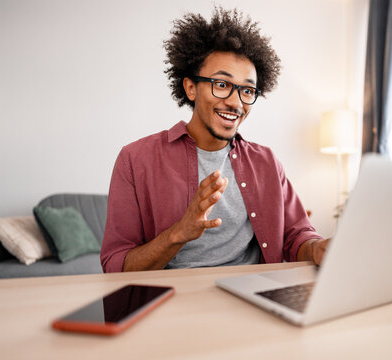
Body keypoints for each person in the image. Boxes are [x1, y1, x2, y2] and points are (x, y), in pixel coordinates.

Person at [100, 7, 328, 273]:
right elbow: (116, 265)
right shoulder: (135, 159)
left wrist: (317, 248)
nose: (235, 102)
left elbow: (296, 235)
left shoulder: (265, 161)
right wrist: (179, 233)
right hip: (170, 301)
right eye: (221, 84)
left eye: (247, 90)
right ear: (190, 87)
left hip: (250, 297)